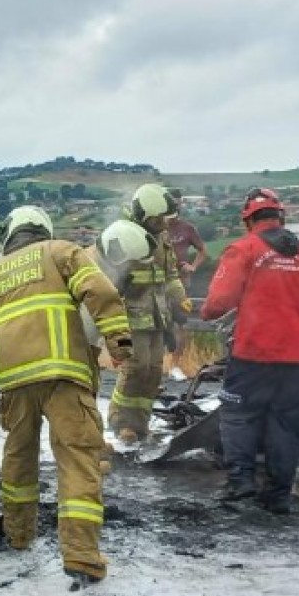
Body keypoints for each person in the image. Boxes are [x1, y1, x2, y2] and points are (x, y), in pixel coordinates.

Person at [0, 206, 132, 589]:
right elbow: (98, 290)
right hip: (64, 376)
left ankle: (19, 535)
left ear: (9, 235)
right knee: (78, 460)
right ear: (42, 229)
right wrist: (118, 340)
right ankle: (81, 556)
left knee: (18, 461)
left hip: (16, 384)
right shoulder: (60, 251)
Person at [199, 188, 299, 514]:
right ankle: (278, 495)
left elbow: (217, 303)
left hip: (254, 354)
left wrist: (205, 313)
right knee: (285, 423)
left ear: (248, 220)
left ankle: (241, 484)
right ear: (281, 217)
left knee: (239, 416)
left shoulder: (244, 250)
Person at [93, 184, 190, 445]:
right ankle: (120, 422)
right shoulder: (122, 236)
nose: (163, 225)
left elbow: (170, 276)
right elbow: (107, 281)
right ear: (144, 214)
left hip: (158, 316)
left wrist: (180, 302)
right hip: (130, 317)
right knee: (135, 368)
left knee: (153, 371)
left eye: (165, 220)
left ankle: (141, 422)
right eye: (158, 219)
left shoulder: (162, 238)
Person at [165, 189, 209, 381]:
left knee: (180, 324)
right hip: (157, 283)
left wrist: (193, 267)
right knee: (156, 325)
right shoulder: (155, 228)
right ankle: (156, 364)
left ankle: (175, 365)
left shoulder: (187, 228)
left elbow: (202, 250)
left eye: (178, 203)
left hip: (181, 285)